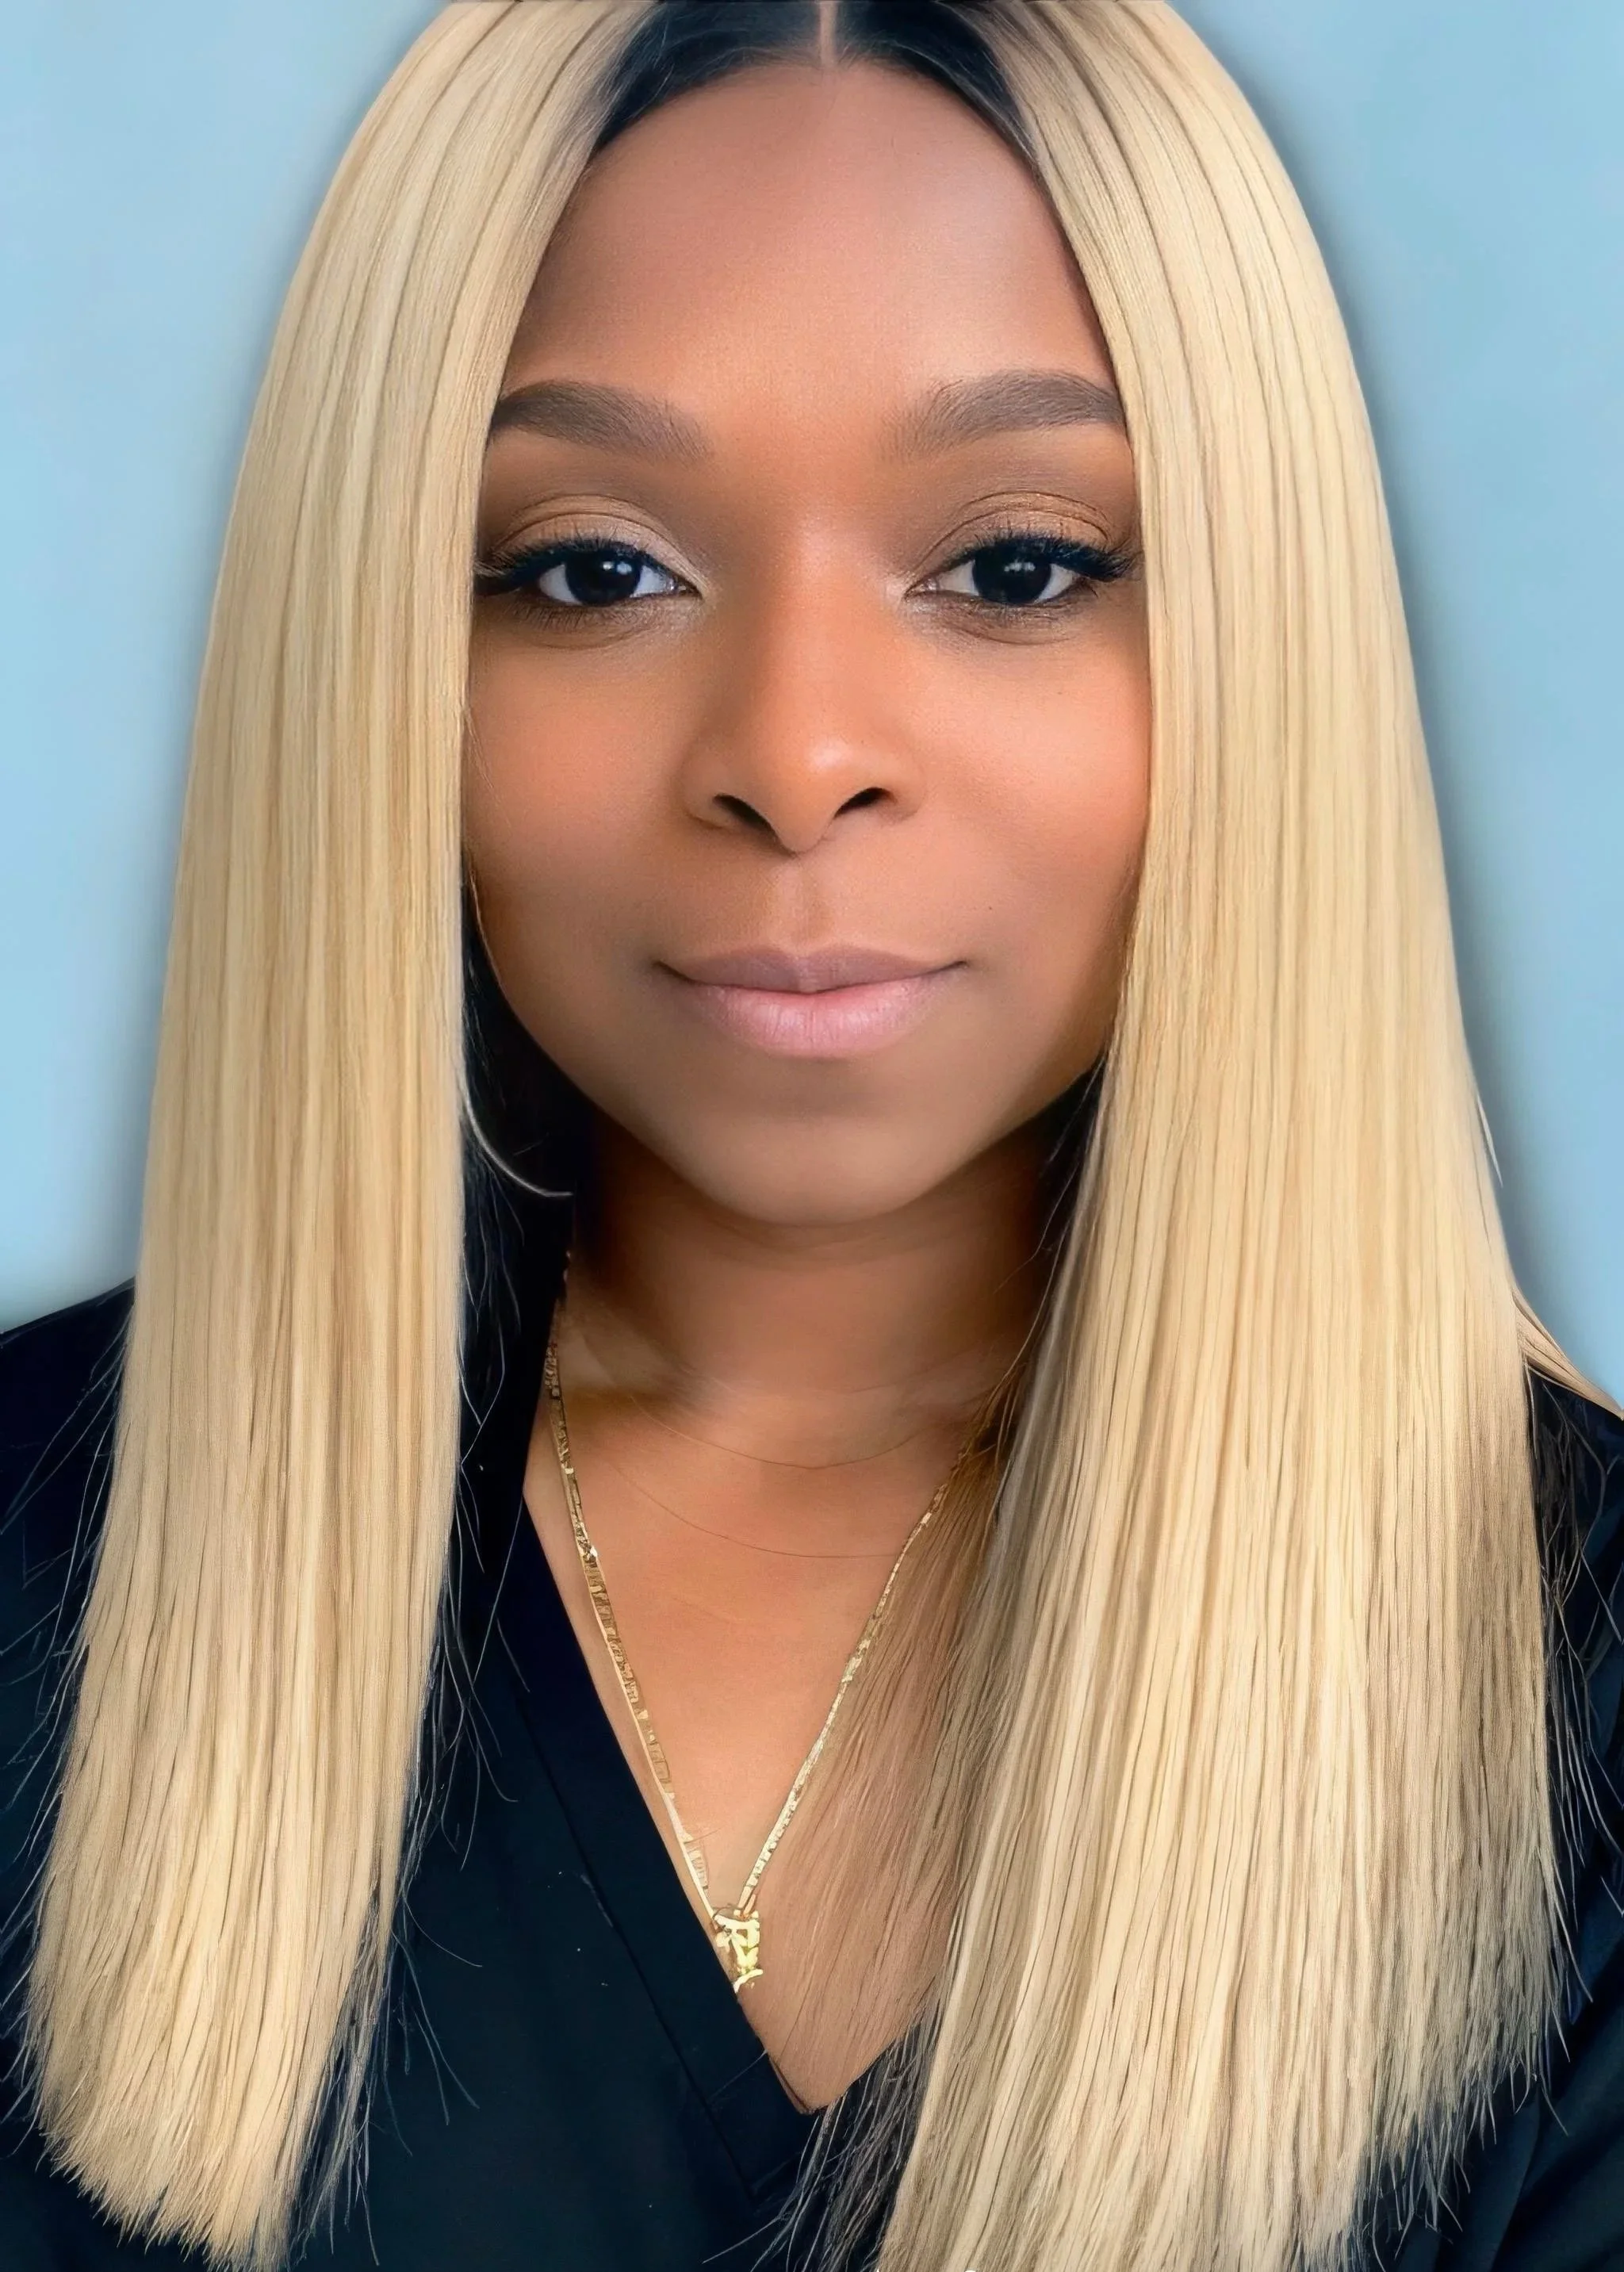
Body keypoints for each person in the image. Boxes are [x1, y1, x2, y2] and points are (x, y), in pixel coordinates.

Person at [1, 2, 1619, 2267]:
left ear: (1265, 646)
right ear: (381, 654)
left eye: (1022, 565)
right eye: (592, 568)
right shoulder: (30, 1570)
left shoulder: (1587, 1706)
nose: (796, 750)